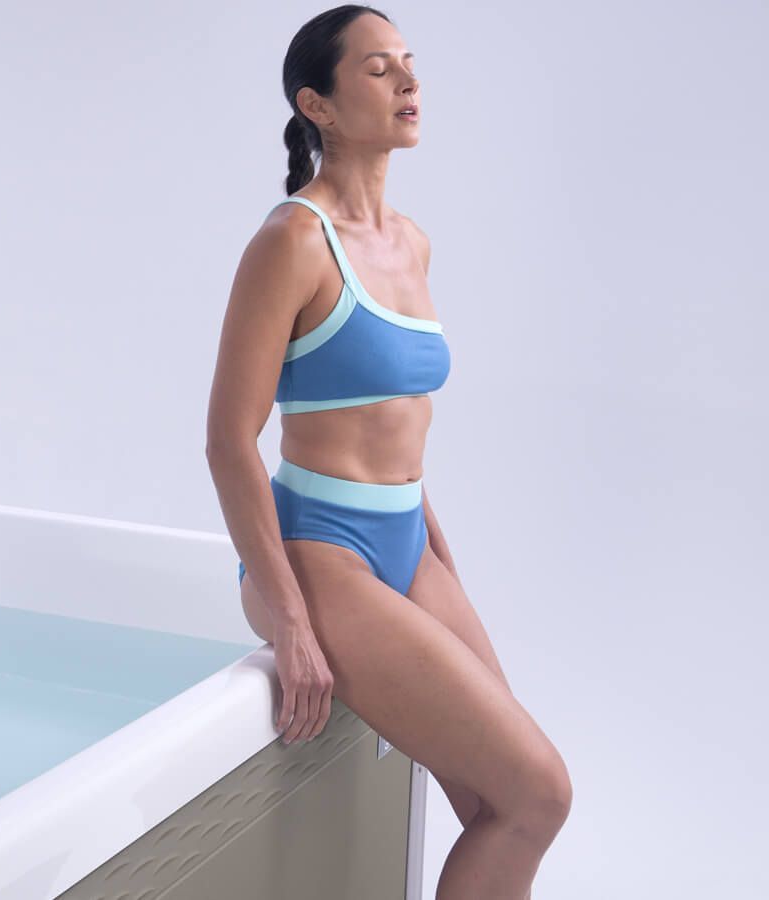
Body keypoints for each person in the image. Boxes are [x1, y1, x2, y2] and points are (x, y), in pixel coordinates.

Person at [204, 6, 572, 898]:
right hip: (320, 556)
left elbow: (395, 414)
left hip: (409, 545)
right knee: (540, 794)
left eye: (409, 63)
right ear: (317, 105)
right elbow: (227, 440)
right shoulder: (292, 239)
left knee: (506, 799)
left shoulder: (412, 242)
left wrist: (434, 542)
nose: (409, 81)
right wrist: (291, 620)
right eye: (377, 69)